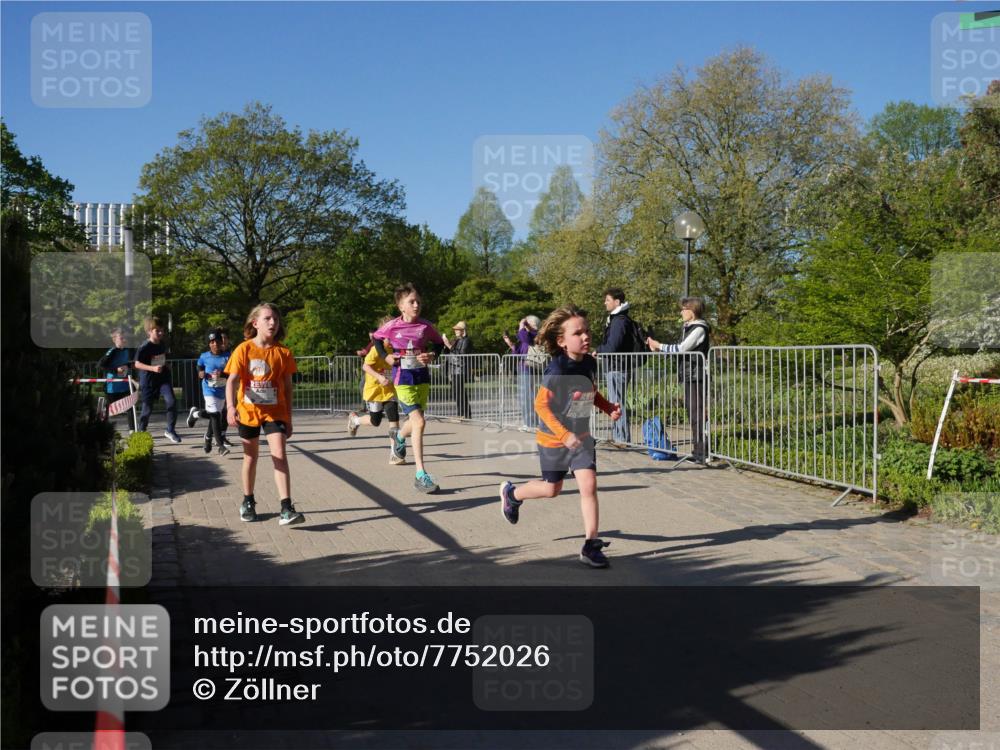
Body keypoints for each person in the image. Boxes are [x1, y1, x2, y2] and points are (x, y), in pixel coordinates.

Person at [499, 306, 622, 568]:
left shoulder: (589, 362)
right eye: (578, 333)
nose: (586, 336)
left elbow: (591, 392)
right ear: (562, 341)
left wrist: (608, 407)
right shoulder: (557, 369)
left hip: (582, 438)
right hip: (554, 440)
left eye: (587, 331)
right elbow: (540, 406)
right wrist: (564, 434)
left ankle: (591, 545)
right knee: (552, 489)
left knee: (588, 486)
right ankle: (512, 494)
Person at [225, 303, 304, 526]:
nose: (273, 323)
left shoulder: (283, 352)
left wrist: (288, 418)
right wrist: (231, 408)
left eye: (276, 320)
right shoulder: (243, 350)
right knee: (251, 456)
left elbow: (288, 389)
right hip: (248, 411)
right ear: (255, 323)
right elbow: (232, 382)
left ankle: (286, 508)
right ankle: (248, 501)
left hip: (275, 412)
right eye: (268, 319)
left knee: (279, 454)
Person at [372, 283, 446, 493]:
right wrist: (385, 356)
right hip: (402, 379)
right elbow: (377, 339)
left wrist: (431, 355)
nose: (416, 305)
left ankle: (399, 437)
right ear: (401, 306)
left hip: (421, 378)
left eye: (418, 302)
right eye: (411, 302)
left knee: (415, 422)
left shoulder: (425, 326)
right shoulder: (392, 326)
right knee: (420, 422)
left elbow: (439, 344)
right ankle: (420, 474)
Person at [646, 297, 711, 464]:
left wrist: (659, 345)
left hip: (697, 376)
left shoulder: (699, 329)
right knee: (693, 413)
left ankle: (702, 452)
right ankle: (698, 451)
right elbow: (678, 349)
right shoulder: (688, 327)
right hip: (690, 375)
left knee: (697, 414)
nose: (681, 312)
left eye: (684, 309)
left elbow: (682, 348)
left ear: (692, 310)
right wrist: (660, 349)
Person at [347, 318, 405, 464]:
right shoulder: (375, 349)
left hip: (389, 389)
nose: (391, 339)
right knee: (375, 421)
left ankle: (394, 454)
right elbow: (365, 367)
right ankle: (355, 420)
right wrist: (379, 377)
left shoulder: (396, 349)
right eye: (388, 336)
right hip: (374, 389)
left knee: (393, 416)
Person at [596, 287, 641, 446]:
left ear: (617, 302)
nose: (605, 303)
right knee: (616, 401)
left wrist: (597, 350)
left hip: (618, 367)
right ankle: (619, 436)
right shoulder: (618, 320)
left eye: (607, 300)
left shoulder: (619, 321)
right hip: (617, 366)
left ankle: (622, 439)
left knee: (617, 403)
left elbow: (612, 347)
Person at [134, 316, 180, 443]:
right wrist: (152, 368)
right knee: (147, 409)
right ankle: (141, 432)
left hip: (163, 379)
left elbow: (160, 358)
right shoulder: (144, 347)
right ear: (149, 331)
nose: (161, 333)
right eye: (157, 331)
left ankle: (170, 430)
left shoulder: (162, 344)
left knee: (171, 401)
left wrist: (166, 365)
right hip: (148, 381)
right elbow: (137, 364)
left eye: (162, 330)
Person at [186, 330, 231, 456]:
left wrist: (222, 374)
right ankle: (221, 446)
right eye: (212, 342)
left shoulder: (228, 356)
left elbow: (232, 372)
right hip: (208, 389)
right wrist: (200, 372)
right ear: (209, 344)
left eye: (217, 341)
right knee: (216, 415)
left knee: (215, 415)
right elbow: (199, 366)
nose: (215, 344)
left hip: (221, 390)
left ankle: (195, 414)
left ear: (221, 342)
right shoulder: (204, 356)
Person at [503, 315, 541, 431]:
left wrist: (521, 326)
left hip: (530, 369)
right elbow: (517, 352)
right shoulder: (526, 337)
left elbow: (525, 338)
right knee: (525, 397)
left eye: (527, 324)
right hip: (523, 368)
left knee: (528, 397)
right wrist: (510, 343)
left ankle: (531, 424)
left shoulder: (536, 335)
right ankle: (529, 422)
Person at [97, 327, 136, 432]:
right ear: (114, 339)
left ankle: (132, 430)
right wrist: (115, 370)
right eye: (121, 338)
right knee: (109, 410)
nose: (124, 340)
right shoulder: (112, 351)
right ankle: (101, 429)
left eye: (125, 338)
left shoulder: (128, 350)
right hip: (112, 388)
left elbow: (129, 363)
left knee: (130, 406)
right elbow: (100, 366)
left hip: (125, 386)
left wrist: (128, 366)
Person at [442, 321, 473, 419]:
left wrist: (449, 345)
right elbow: (448, 351)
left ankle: (465, 414)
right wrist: (445, 345)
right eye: (455, 329)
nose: (455, 331)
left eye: (458, 329)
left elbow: (461, 354)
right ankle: (461, 414)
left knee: (460, 392)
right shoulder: (455, 339)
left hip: (461, 369)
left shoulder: (466, 340)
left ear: (463, 330)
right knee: (456, 392)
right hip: (453, 369)